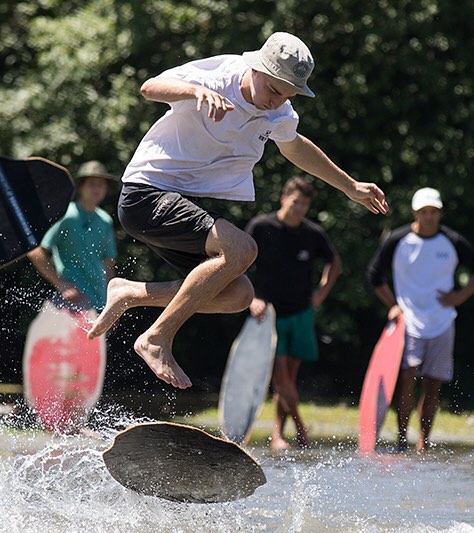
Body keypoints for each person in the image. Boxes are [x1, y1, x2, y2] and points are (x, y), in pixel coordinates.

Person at [88, 31, 387, 389]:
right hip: (146, 193)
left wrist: (349, 186)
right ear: (257, 70)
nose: (277, 103)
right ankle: (156, 337)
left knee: (237, 295)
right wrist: (193, 91)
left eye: (288, 96)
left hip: (178, 201)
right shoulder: (219, 76)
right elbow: (150, 87)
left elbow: (294, 148)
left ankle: (130, 293)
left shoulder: (278, 111)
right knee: (241, 248)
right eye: (274, 91)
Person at [367, 187, 474, 452]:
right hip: (409, 320)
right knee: (408, 376)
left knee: (433, 383)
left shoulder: (452, 241)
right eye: (424, 212)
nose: (429, 217)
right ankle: (401, 437)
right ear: (414, 213)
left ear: (440, 213)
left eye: (433, 212)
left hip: (442, 321)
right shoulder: (399, 239)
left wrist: (459, 297)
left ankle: (424, 441)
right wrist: (394, 305)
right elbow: (375, 275)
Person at [246, 176, 342, 450]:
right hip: (268, 315)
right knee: (281, 376)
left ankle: (278, 434)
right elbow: (236, 264)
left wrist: (322, 291)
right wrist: (251, 298)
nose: (299, 209)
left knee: (288, 377)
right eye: (296, 202)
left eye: (305, 205)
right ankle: (301, 427)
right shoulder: (261, 227)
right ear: (284, 199)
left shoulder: (312, 234)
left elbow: (335, 262)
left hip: (301, 312)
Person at [28, 160, 117, 312]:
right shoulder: (66, 215)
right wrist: (61, 284)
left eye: (101, 184)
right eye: (92, 184)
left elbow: (108, 264)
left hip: (100, 302)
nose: (97, 189)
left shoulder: (105, 220)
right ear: (81, 187)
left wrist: (112, 304)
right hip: (72, 301)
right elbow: (35, 252)